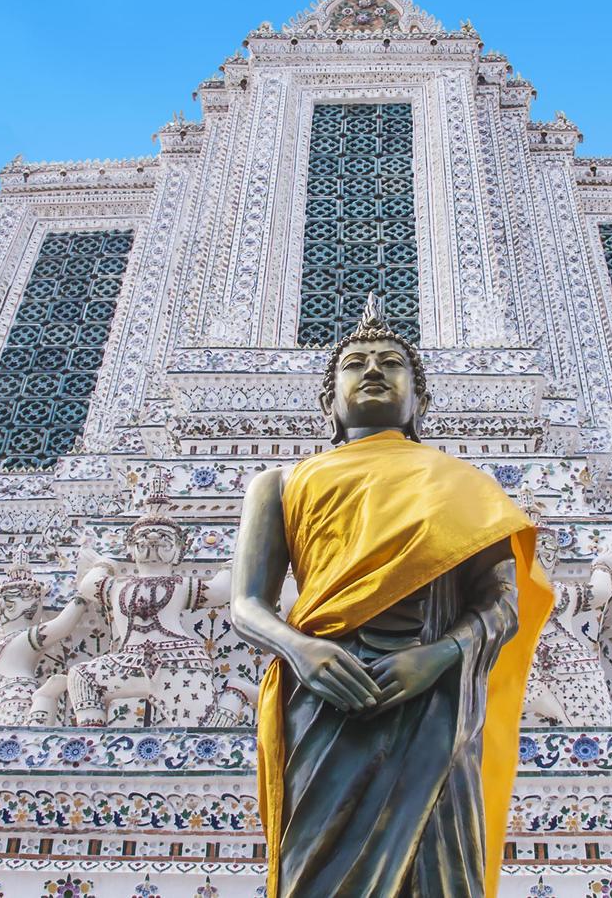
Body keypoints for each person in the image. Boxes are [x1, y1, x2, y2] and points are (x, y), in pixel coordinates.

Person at [230, 295, 551, 898]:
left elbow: (502, 603)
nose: (373, 369)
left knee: (438, 871)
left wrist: (441, 654)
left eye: (390, 363)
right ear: (329, 401)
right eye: (355, 363)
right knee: (318, 876)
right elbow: (248, 606)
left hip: (431, 696)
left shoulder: (462, 485)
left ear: (419, 402)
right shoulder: (280, 484)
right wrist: (301, 651)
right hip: (326, 693)